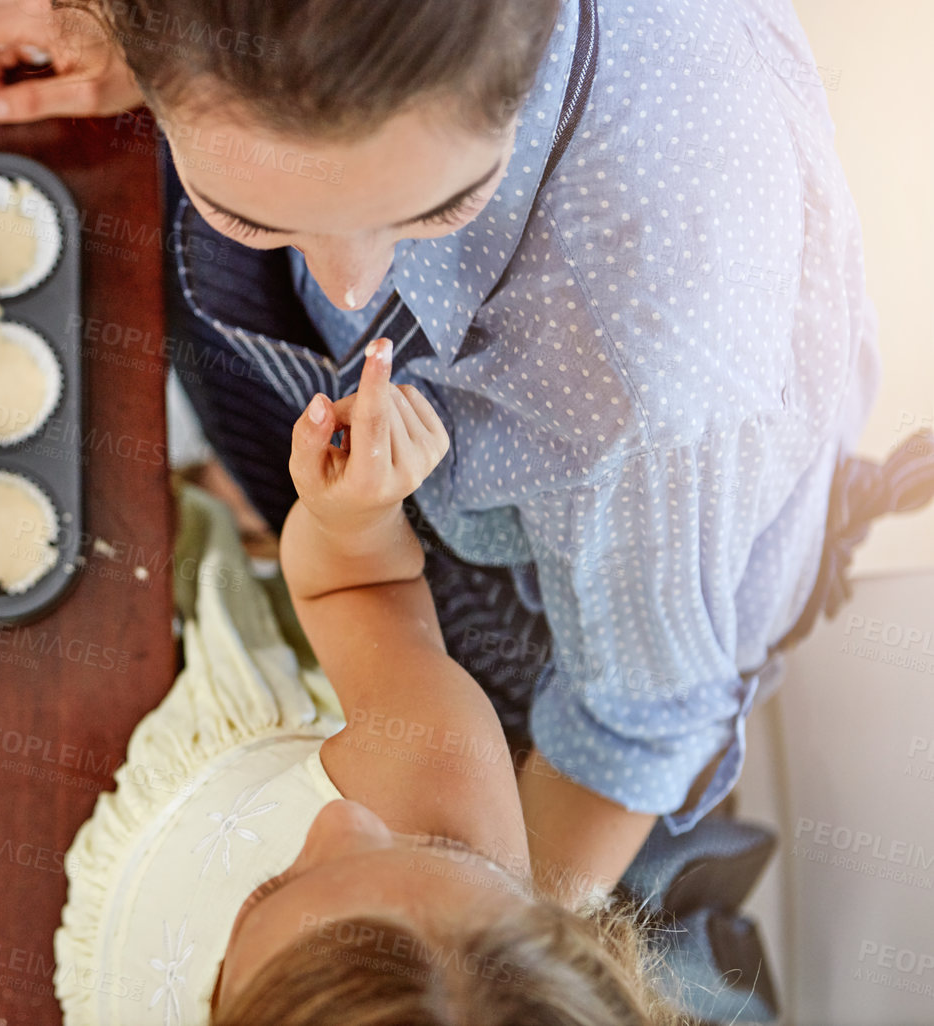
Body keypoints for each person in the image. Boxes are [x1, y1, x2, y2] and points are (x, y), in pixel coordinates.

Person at [0, 0, 911, 917]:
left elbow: (641, 722)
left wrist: (482, 949)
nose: (350, 285)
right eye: (251, 211)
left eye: (439, 205)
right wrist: (168, 37)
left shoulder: (648, 379)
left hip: (591, 592)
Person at [53, 343, 681, 1023]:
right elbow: (360, 584)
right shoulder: (441, 772)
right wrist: (350, 521)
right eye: (433, 850)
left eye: (272, 891)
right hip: (175, 725)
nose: (343, 817)